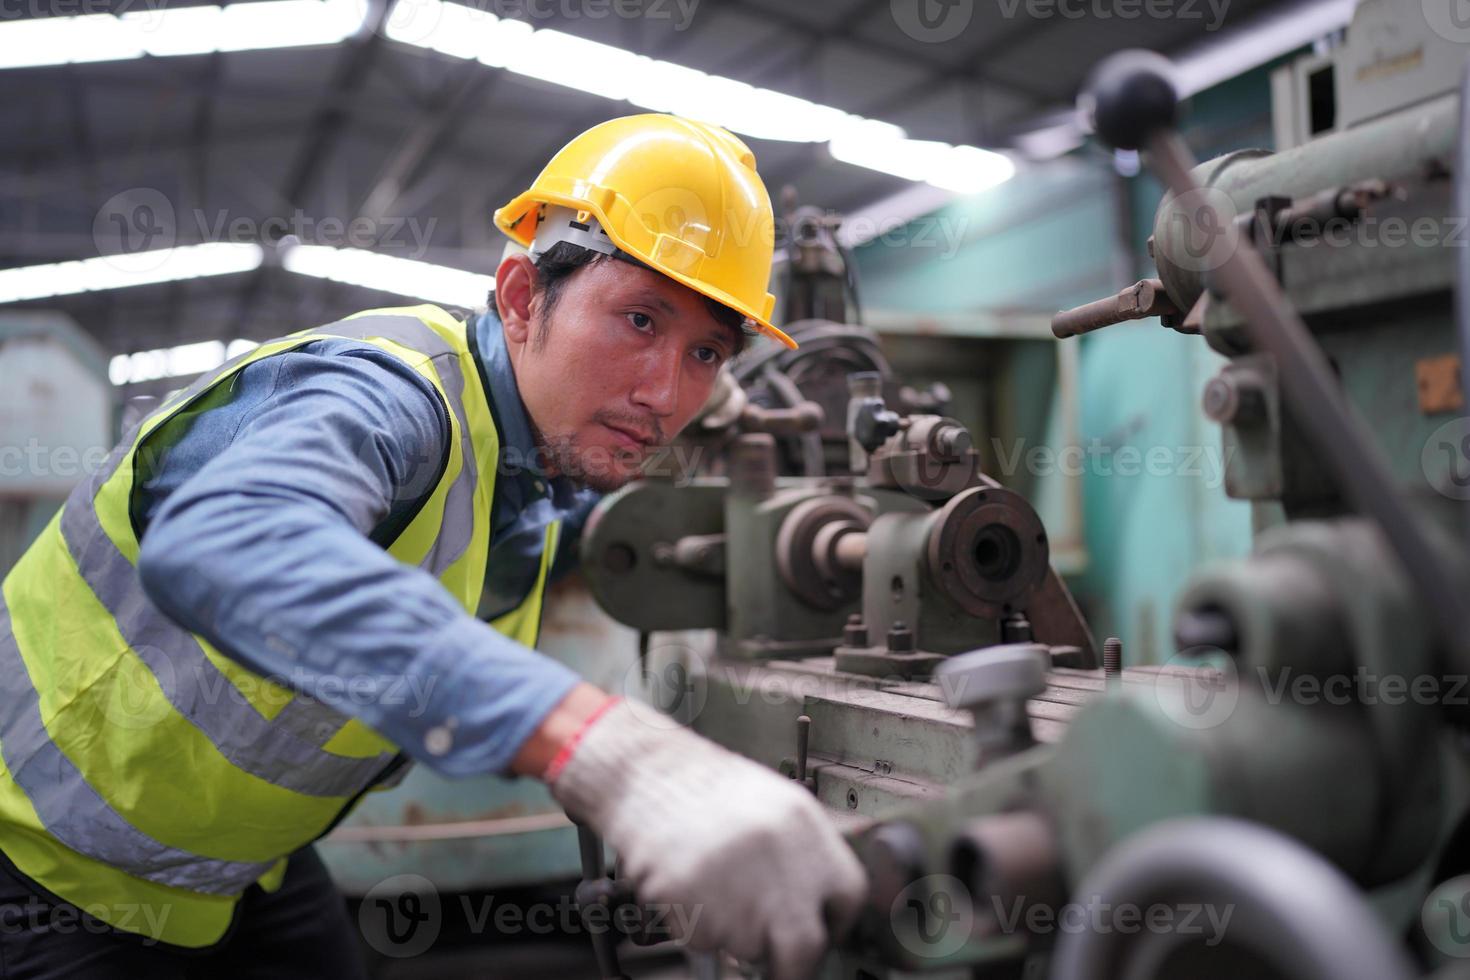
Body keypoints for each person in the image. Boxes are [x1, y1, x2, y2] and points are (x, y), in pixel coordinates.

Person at [0, 114, 866, 979]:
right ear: (524, 298)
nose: (664, 394)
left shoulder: (529, 480)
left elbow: (545, 543)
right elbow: (226, 537)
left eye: (706, 352)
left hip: (234, 870)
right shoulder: (390, 396)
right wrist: (605, 748)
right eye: (641, 320)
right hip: (43, 859)